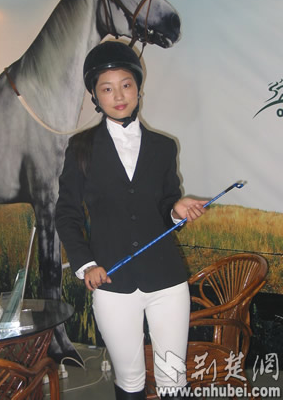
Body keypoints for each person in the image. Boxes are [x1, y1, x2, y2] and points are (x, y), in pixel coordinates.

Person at [55, 41, 207, 400]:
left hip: (166, 281)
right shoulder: (81, 148)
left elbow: (166, 207)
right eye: (107, 88)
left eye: (126, 84)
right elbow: (67, 212)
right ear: (95, 96)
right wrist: (85, 264)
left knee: (173, 377)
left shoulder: (164, 147)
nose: (119, 95)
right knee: (130, 379)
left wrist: (177, 209)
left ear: (138, 87)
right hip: (111, 280)